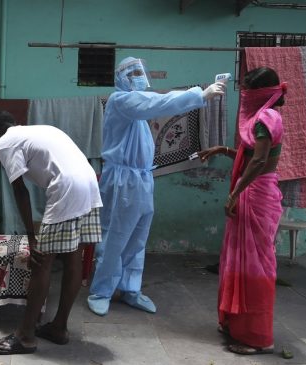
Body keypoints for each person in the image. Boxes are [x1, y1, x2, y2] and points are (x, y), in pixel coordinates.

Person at [87, 57, 226, 316]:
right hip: (122, 180)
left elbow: (151, 105)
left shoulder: (137, 111)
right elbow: (157, 102)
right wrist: (200, 94)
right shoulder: (122, 101)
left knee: (138, 237)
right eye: (134, 72)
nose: (140, 76)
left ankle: (131, 289)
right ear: (121, 78)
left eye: (141, 71)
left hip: (142, 179)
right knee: (115, 236)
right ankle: (101, 290)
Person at [0, 111, 102, 355]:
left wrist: (31, 236)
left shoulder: (4, 141)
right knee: (73, 257)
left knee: (41, 262)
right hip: (89, 182)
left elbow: (20, 190)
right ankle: (59, 328)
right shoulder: (42, 130)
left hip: (67, 187)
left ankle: (25, 336)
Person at [198, 67, 286, 355]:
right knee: (239, 261)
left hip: (256, 195)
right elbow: (253, 156)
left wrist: (235, 193)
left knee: (254, 266)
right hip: (257, 192)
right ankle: (237, 324)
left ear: (258, 93)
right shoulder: (268, 118)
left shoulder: (263, 119)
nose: (243, 96)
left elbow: (259, 162)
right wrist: (223, 150)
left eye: (247, 91)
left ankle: (257, 337)